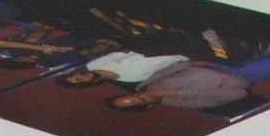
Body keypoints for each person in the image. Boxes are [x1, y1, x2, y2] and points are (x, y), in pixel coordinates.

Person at [104, 61, 252, 111]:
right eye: (142, 99)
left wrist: (190, 63)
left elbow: (171, 68)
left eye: (133, 95)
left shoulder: (144, 85)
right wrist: (180, 93)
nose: (142, 94)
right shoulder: (185, 103)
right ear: (150, 106)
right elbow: (240, 94)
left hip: (212, 61)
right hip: (239, 74)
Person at [55, 50, 188, 88]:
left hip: (157, 43)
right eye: (78, 80)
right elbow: (168, 68)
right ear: (89, 83)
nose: (80, 76)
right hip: (181, 54)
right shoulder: (131, 79)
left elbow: (125, 50)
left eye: (74, 75)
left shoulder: (93, 65)